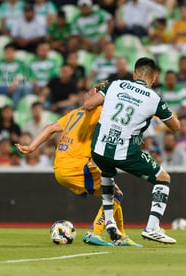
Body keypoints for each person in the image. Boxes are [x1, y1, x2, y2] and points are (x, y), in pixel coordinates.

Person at [16, 83, 140, 247]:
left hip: (60, 169)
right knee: (115, 195)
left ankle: (120, 236)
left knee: (115, 194)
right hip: (76, 166)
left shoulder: (74, 114)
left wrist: (32, 146)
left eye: (93, 91)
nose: (89, 93)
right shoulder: (99, 112)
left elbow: (51, 127)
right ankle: (94, 232)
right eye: (92, 91)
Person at [84, 57, 180, 244]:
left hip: (98, 148)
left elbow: (87, 104)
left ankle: (110, 222)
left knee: (107, 173)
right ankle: (152, 228)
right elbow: (175, 126)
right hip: (124, 152)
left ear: (134, 74)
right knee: (163, 178)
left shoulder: (115, 85)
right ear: (154, 78)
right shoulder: (154, 98)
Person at [0, 43, 32, 109]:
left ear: (14, 52)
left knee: (20, 88)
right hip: (3, 85)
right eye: (6, 52)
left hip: (15, 85)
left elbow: (20, 76)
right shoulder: (1, 62)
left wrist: (14, 84)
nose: (7, 53)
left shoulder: (19, 63)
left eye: (9, 51)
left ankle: (14, 109)